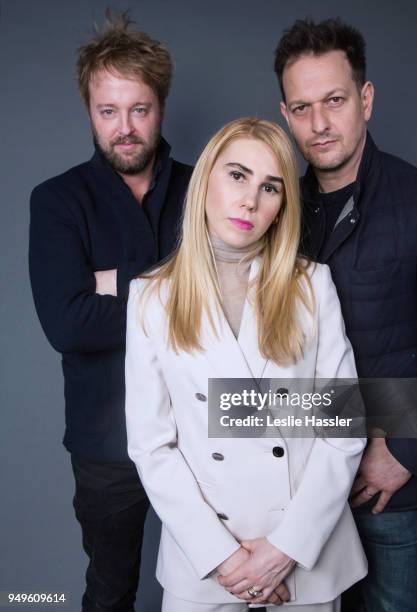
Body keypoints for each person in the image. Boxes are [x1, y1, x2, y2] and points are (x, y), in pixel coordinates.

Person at [125, 117, 367, 612]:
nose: (250, 200)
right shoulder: (150, 297)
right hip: (205, 561)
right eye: (237, 175)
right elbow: (152, 446)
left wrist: (284, 551)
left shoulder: (311, 286)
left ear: (282, 206)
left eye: (270, 187)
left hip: (305, 554)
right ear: (206, 179)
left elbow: (342, 427)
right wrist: (226, 560)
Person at [274, 17, 417, 612]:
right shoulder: (274, 215)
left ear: (366, 99)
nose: (319, 123)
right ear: (284, 114)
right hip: (296, 494)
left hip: (387, 494)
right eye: (302, 107)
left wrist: (404, 449)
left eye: (334, 100)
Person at [28, 11, 192, 611]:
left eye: (139, 110)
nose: (125, 128)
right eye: (108, 111)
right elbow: (67, 323)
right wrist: (174, 290)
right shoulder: (56, 200)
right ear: (90, 112)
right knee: (110, 588)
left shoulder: (204, 188)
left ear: (161, 108)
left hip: (201, 431)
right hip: (106, 441)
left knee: (219, 583)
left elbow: (235, 304)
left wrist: (111, 285)